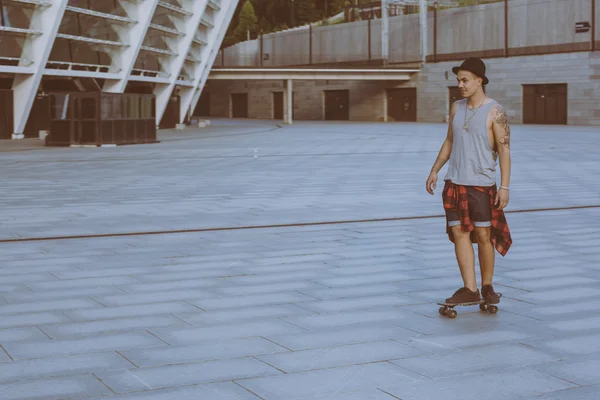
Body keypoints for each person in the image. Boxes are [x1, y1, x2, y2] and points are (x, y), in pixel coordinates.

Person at [425, 57, 512, 305]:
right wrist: (435, 170)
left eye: (465, 80)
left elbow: (505, 151)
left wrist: (504, 186)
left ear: (479, 81)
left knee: (484, 236)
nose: (460, 84)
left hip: (481, 185)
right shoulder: (456, 107)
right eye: (458, 80)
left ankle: (486, 286)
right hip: (454, 182)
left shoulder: (495, 111)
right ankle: (469, 288)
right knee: (459, 233)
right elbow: (450, 141)